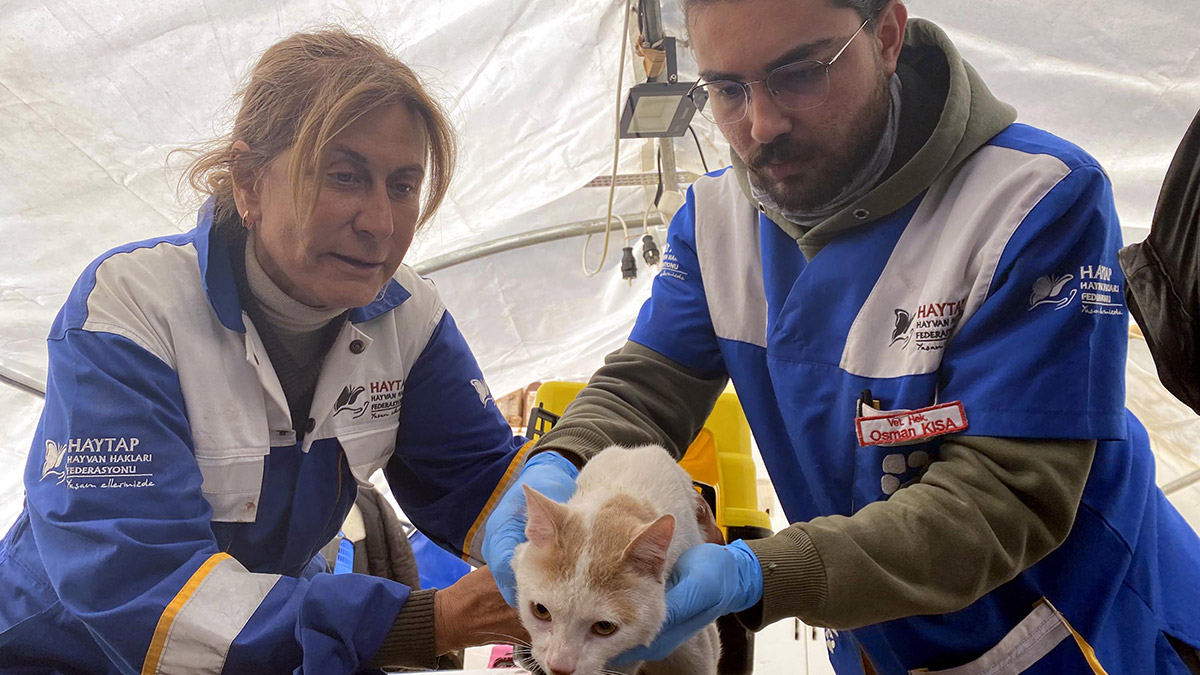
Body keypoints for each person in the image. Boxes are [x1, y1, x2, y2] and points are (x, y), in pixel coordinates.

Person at [481, 0, 1200, 673]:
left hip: (1086, 633)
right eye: (727, 89)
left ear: (887, 35)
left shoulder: (1032, 202)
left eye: (799, 74)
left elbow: (1004, 496)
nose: (761, 124)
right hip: (873, 642)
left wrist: (761, 573)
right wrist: (560, 461)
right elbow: (646, 387)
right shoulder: (713, 222)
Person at [0, 29, 530, 674]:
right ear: (249, 185)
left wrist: (600, 528)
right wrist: (422, 623)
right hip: (67, 653)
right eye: (344, 176)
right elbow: (135, 583)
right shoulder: (134, 309)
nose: (380, 223)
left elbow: (476, 480)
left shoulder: (408, 315)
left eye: (402, 185)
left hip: (262, 645)